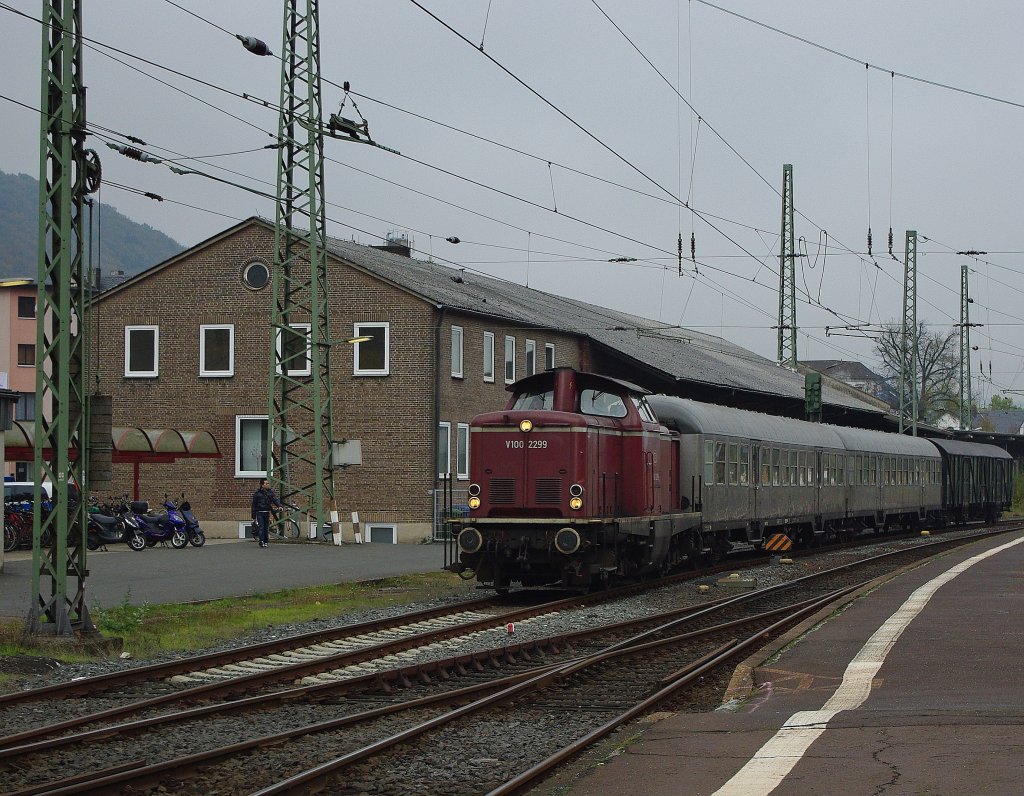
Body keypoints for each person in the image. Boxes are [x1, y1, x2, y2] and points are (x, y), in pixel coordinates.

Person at [251, 478, 282, 548]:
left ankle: (265, 541)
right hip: (260, 512)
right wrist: (253, 515)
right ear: (262, 485)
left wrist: (279, 506)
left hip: (267, 512)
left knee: (266, 528)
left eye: (268, 483)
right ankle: (261, 541)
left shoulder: (270, 493)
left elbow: (275, 500)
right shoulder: (257, 493)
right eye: (266, 483)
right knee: (261, 527)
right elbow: (254, 505)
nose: (268, 484)